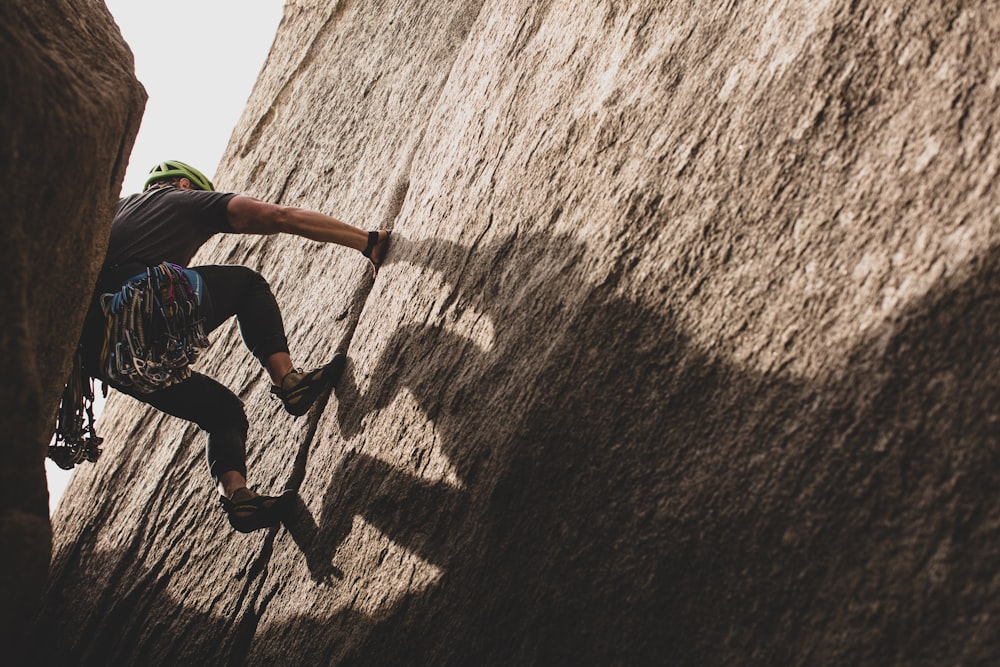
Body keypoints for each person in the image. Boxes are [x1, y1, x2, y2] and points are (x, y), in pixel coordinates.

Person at [79, 160, 390, 533]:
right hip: (141, 303)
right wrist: (366, 241)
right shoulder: (183, 201)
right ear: (183, 184)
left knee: (222, 412)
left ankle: (239, 499)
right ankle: (289, 381)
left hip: (109, 356)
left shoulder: (111, 213)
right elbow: (280, 216)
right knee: (246, 285)